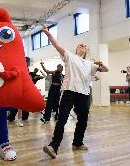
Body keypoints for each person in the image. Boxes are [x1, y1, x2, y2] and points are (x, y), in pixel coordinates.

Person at [41, 25, 109, 158]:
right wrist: (48, 35)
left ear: (86, 50)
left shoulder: (90, 63)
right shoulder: (69, 56)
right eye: (80, 45)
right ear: (77, 49)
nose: (83, 45)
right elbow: (56, 45)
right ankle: (53, 146)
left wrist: (99, 63)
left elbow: (106, 69)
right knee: (62, 119)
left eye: (85, 45)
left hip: (84, 94)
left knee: (83, 120)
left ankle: (77, 143)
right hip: (69, 91)